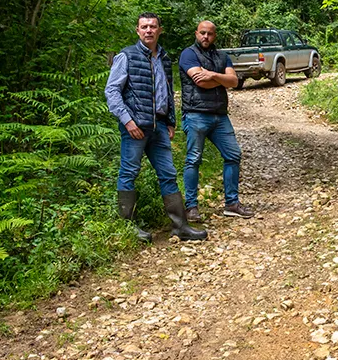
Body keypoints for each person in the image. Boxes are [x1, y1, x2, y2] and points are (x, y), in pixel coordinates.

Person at [105, 12, 207, 243]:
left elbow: (167, 93)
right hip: (135, 127)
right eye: (144, 27)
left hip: (159, 127)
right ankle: (127, 227)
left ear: (160, 30)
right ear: (137, 31)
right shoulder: (126, 56)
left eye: (153, 26)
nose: (149, 30)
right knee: (129, 173)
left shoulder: (164, 58)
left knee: (168, 174)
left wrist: (170, 120)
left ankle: (180, 226)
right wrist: (128, 122)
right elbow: (112, 92)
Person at [179, 20, 254, 222]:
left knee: (233, 155)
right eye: (202, 33)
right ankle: (191, 207)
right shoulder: (188, 54)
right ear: (196, 33)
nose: (206, 37)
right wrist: (221, 79)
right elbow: (200, 82)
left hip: (220, 115)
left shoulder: (222, 56)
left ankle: (232, 204)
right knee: (193, 159)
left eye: (210, 34)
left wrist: (212, 74)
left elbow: (234, 81)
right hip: (196, 113)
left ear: (215, 36)